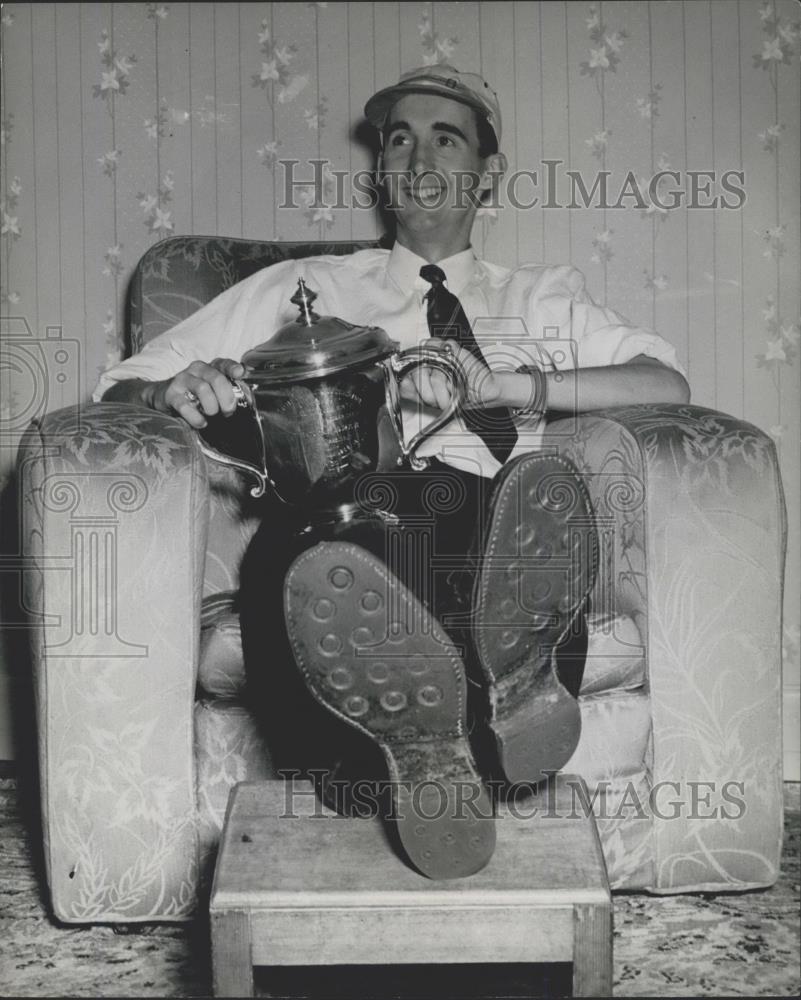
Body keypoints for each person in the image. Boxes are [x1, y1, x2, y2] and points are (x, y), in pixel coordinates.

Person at [95, 65, 689, 880]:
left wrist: (512, 386)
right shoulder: (298, 290)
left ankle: (490, 702)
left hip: (488, 520)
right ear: (379, 168)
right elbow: (119, 386)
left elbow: (665, 384)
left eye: (445, 138)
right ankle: (459, 743)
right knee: (332, 539)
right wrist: (169, 388)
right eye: (398, 139)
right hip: (338, 524)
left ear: (488, 173)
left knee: (510, 511)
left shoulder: (547, 295)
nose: (416, 154)